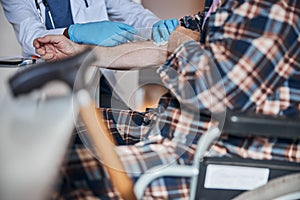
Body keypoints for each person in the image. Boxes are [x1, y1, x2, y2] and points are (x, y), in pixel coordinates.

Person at [35, 0, 300, 199]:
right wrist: (81, 53)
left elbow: (220, 93)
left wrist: (180, 42)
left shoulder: (271, 9)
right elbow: (161, 47)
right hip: (180, 128)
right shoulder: (225, 5)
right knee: (70, 127)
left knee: (60, 173)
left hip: (223, 153)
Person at [0, 0, 178, 57]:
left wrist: (154, 25)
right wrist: (74, 33)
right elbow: (31, 37)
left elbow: (131, 13)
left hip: (97, 72)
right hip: (50, 82)